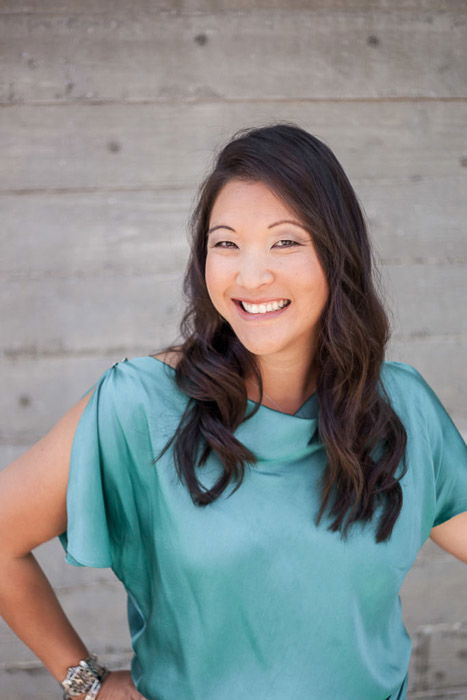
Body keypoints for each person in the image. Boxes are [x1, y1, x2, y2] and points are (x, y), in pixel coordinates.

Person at [0, 123, 466, 700]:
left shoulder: (402, 407)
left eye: (285, 241)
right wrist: (85, 682)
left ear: (337, 253)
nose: (251, 275)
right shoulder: (141, 403)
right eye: (226, 243)